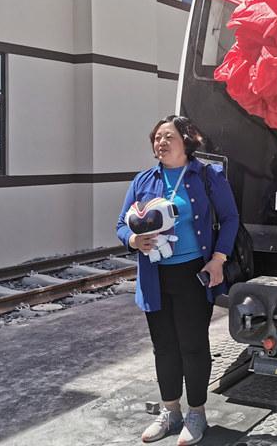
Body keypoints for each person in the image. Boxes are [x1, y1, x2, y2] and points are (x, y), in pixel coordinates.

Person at [116, 115, 239, 444]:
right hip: (154, 277)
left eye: (168, 136)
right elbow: (121, 225)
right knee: (164, 348)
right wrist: (132, 240)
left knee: (193, 346)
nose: (161, 143)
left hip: (194, 275)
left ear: (187, 140)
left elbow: (230, 218)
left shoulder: (207, 176)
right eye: (156, 138)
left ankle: (196, 414)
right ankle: (170, 413)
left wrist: (218, 260)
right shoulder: (144, 180)